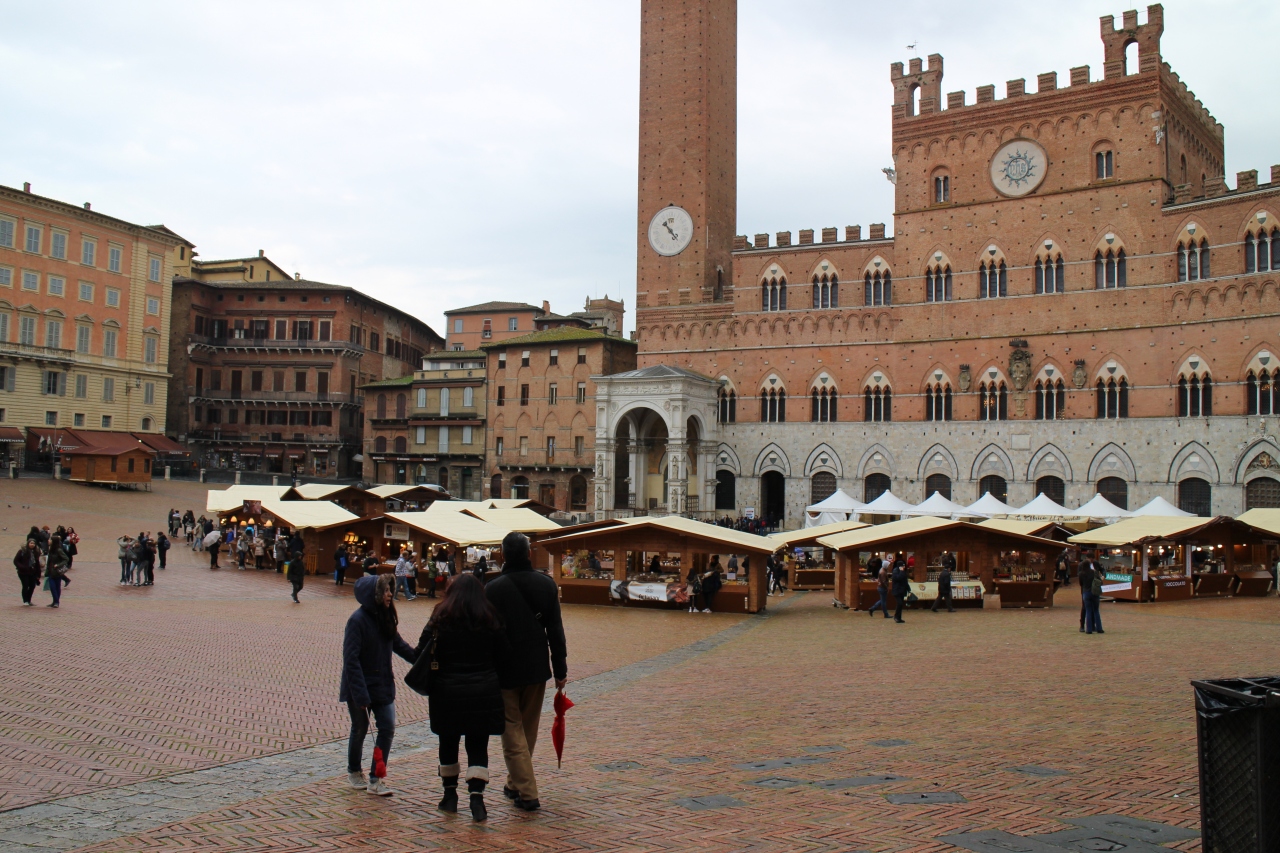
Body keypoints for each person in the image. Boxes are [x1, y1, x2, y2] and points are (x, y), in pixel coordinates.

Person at [484, 532, 567, 812]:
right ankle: (514, 783)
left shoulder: (492, 589)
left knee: (511, 730)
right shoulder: (546, 584)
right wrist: (560, 669)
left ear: (503, 555)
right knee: (527, 729)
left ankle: (528, 791)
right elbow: (555, 630)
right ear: (529, 554)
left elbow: (486, 633)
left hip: (504, 668)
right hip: (535, 666)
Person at [416, 573, 508, 822]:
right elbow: (504, 655)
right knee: (478, 743)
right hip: (483, 691)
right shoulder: (490, 618)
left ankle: (450, 796)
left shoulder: (440, 617)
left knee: (448, 740)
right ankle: (477, 799)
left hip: (447, 691)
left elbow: (421, 651)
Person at [341, 574, 417, 797]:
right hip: (360, 685)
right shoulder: (357, 621)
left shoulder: (385, 618)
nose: (390, 594)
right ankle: (354, 770)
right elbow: (351, 660)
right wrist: (360, 694)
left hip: (382, 684)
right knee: (360, 729)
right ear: (374, 595)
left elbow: (399, 645)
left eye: (390, 590)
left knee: (387, 728)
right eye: (385, 591)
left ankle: (376, 777)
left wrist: (420, 659)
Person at [1079, 556, 1104, 635]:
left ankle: (1089, 629)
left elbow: (1081, 584)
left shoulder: (1081, 574)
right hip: (1094, 592)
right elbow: (1099, 581)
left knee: (1088, 610)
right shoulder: (1094, 572)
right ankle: (1099, 628)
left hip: (1086, 593)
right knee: (1096, 610)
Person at [14, 538, 42, 606]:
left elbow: (37, 563)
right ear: (28, 543)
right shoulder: (22, 551)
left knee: (32, 586)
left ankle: (29, 600)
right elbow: (16, 561)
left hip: (32, 572)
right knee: (25, 585)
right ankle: (25, 600)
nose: (32, 545)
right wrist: (22, 567)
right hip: (23, 572)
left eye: (34, 543)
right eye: (31, 543)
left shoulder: (36, 552)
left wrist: (38, 573)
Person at [46, 535, 69, 608]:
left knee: (56, 587)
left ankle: (56, 602)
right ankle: (55, 601)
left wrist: (58, 565)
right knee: (52, 587)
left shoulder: (58, 550)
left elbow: (66, 559)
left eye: (50, 540)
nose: (48, 541)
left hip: (57, 572)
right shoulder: (51, 550)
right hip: (51, 571)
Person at [891, 555, 909, 623]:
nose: (904, 567)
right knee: (900, 603)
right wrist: (901, 571)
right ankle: (896, 616)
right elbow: (898, 578)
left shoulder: (903, 571)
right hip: (897, 590)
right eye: (903, 566)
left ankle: (899, 617)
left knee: (901, 604)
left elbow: (905, 581)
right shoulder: (896, 571)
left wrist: (908, 588)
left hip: (901, 590)